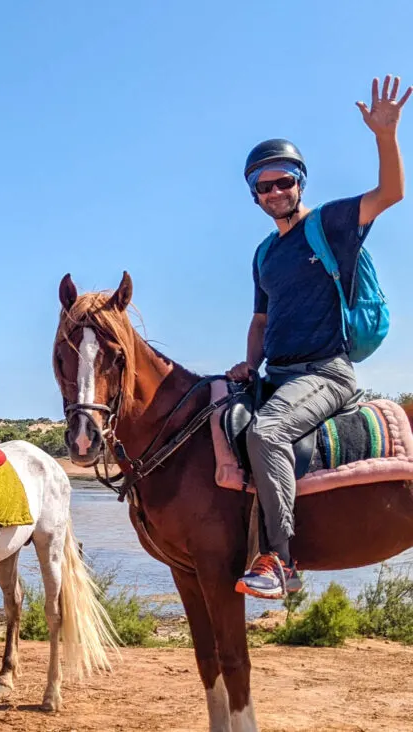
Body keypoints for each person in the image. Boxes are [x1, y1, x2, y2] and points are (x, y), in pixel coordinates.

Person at [228, 75, 410, 600]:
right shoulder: (263, 253)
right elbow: (260, 321)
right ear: (255, 195)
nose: (275, 192)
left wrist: (385, 134)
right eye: (264, 186)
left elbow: (391, 193)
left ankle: (279, 560)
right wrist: (248, 365)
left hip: (325, 373)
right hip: (277, 372)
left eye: (283, 181)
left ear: (300, 183)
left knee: (267, 433)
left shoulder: (328, 225)